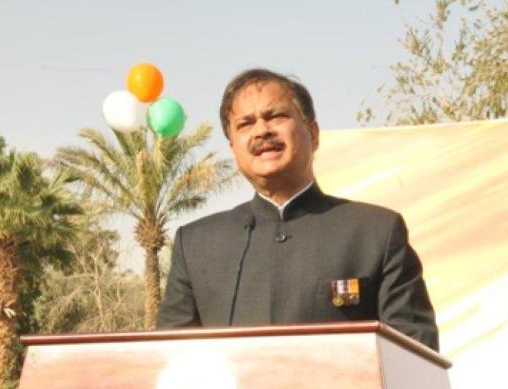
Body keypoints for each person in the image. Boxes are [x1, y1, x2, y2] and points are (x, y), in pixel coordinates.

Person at [157, 68, 439, 351]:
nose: (262, 131)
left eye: (275, 116)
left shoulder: (376, 233)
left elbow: (414, 356)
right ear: (233, 149)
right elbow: (168, 362)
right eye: (245, 124)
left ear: (313, 134)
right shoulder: (195, 244)